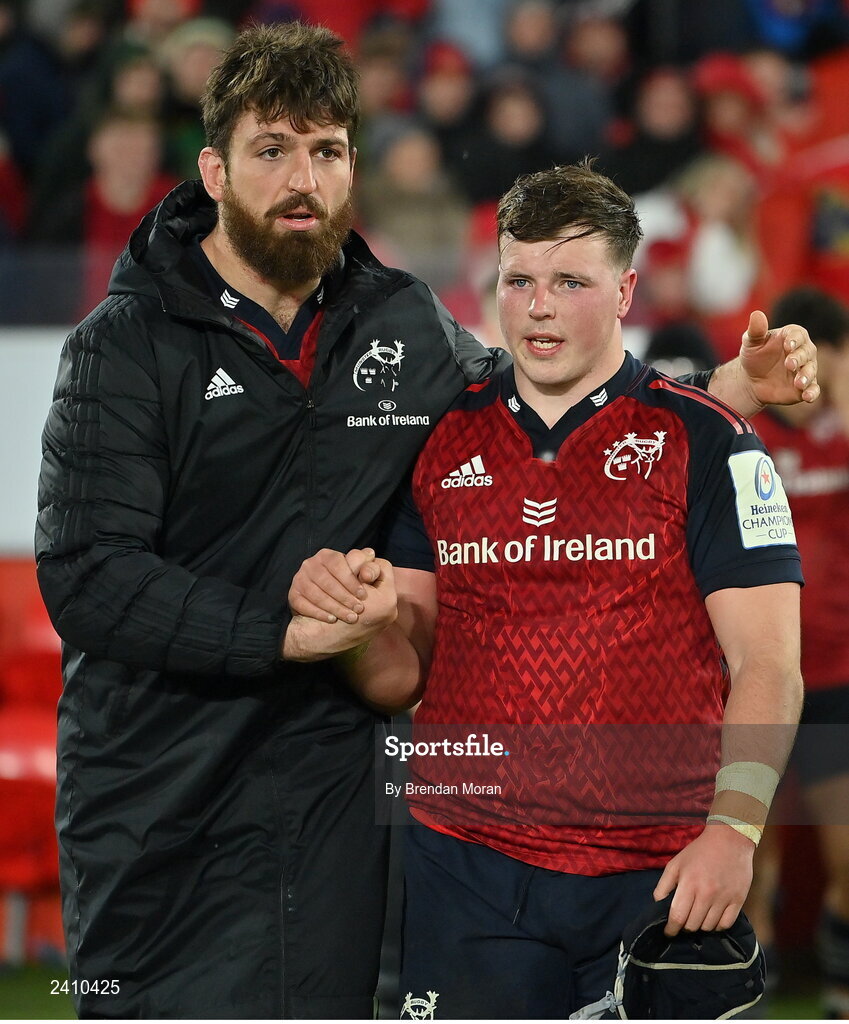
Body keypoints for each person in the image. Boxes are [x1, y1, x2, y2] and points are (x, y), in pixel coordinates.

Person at [35, 21, 818, 1020]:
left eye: (325, 150)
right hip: (161, 792)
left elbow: (543, 389)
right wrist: (283, 631)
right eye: (271, 149)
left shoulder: (398, 322)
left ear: (353, 166)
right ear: (215, 172)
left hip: (326, 792)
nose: (301, 177)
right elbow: (88, 576)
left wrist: (716, 390)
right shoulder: (121, 348)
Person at [292, 162, 807, 1019]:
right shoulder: (437, 441)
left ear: (624, 290)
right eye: (518, 279)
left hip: (659, 874)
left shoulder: (710, 442)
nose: (537, 305)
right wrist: (359, 623)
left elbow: (769, 663)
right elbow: (399, 678)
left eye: (570, 281)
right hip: (468, 869)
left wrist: (732, 832)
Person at [743, 285, 849, 1019]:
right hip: (752, 682)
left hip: (838, 679)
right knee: (748, 870)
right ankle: (745, 1000)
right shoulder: (742, 435)